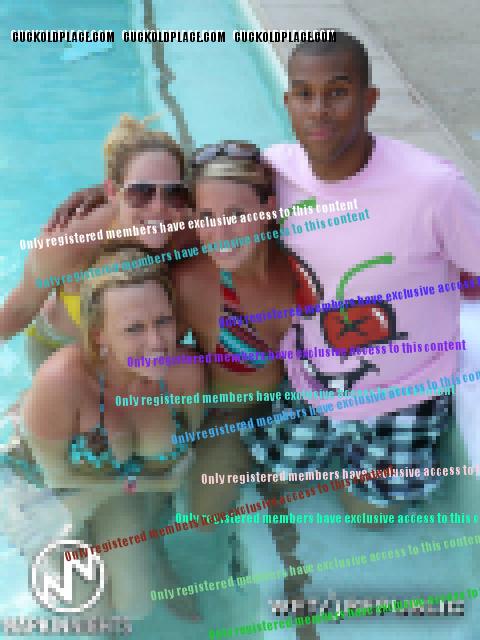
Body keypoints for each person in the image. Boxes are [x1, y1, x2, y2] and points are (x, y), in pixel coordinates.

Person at [249, 30, 480, 517]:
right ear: (287, 102)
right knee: (276, 477)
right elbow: (195, 201)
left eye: (337, 92)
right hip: (312, 380)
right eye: (304, 94)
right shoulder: (273, 172)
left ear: (369, 99)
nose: (318, 111)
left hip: (406, 391)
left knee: (367, 515)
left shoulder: (433, 188)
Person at [21, 247, 204, 619]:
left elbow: (181, 456)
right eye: (134, 328)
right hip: (42, 496)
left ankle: (154, 551)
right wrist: (153, 483)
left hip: (112, 488)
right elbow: (59, 487)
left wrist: (154, 490)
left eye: (163, 321)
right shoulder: (62, 382)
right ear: (99, 334)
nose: (156, 342)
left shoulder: (185, 375)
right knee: (92, 614)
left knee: (136, 607)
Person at [173, 142, 307, 519]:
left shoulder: (304, 259)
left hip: (298, 413)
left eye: (236, 213)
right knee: (205, 517)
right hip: (231, 416)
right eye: (207, 216)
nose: (221, 232)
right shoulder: (192, 283)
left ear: (268, 209)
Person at [0, 115, 192, 371]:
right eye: (141, 192)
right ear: (113, 192)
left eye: (173, 192)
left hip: (140, 353)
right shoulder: (69, 244)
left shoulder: (188, 228)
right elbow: (21, 308)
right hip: (61, 351)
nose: (159, 207)